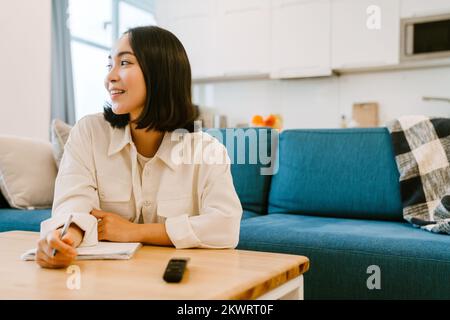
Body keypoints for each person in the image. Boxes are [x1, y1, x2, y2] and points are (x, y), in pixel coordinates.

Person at [36, 26, 242, 269]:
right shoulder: (89, 133)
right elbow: (74, 202)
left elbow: (225, 227)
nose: (109, 77)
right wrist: (64, 241)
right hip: (107, 279)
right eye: (109, 65)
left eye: (124, 63)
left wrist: (136, 232)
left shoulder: (208, 151)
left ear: (161, 73)